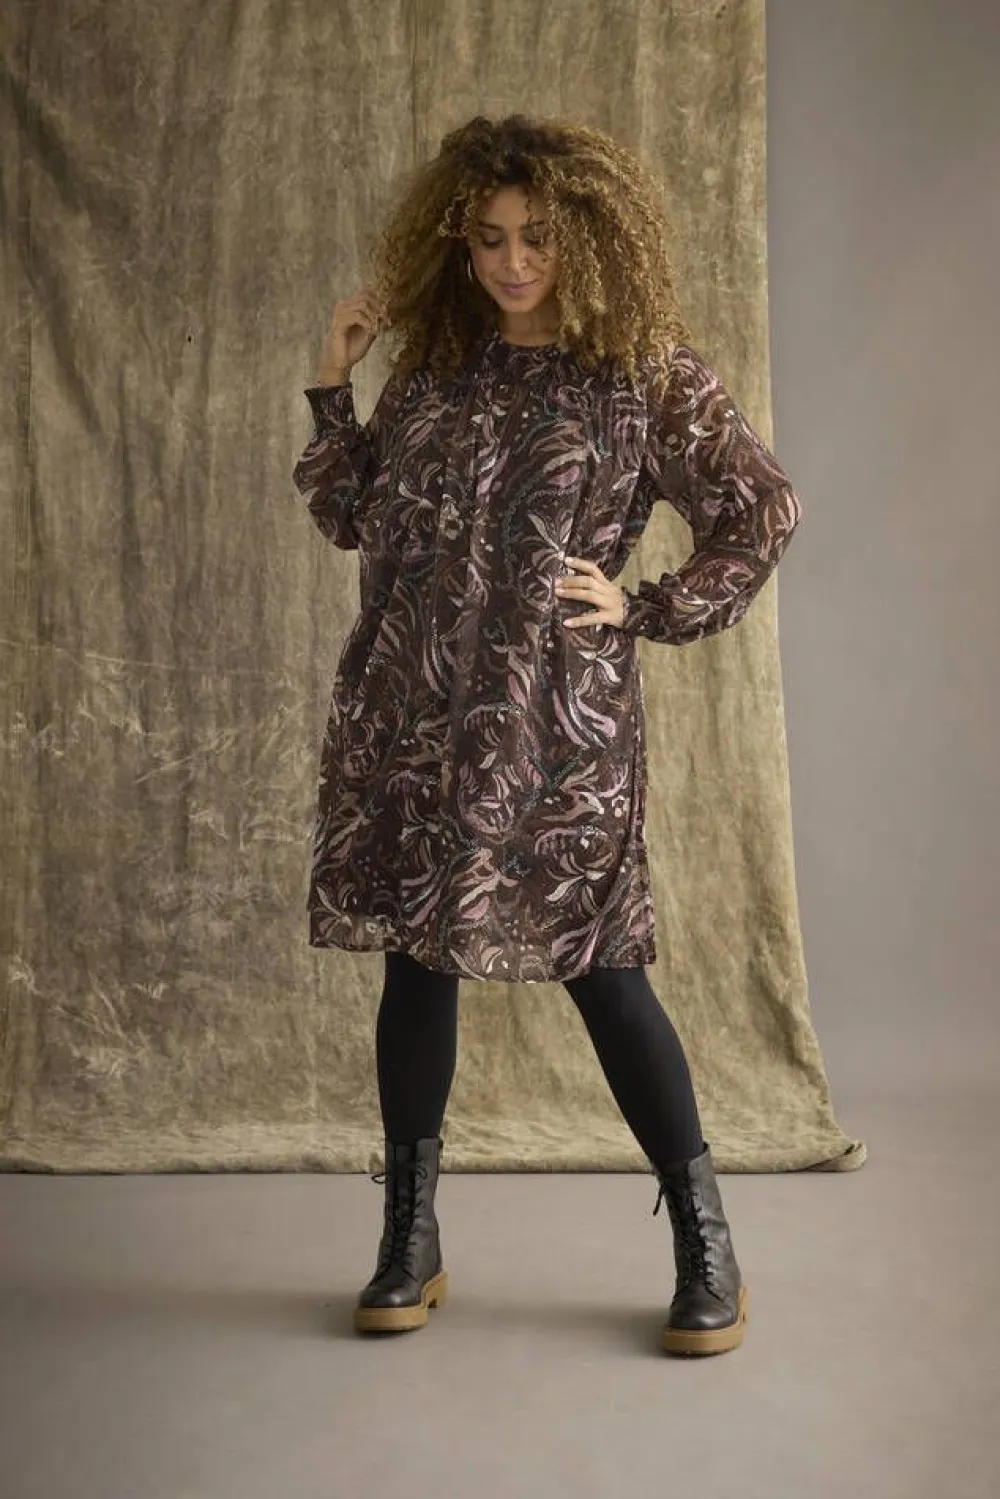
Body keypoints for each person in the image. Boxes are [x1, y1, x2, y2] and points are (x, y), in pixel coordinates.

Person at [292, 114, 802, 1358]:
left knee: (603, 969)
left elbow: (759, 506)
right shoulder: (436, 370)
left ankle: (705, 1244)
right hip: (414, 712)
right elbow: (353, 514)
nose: (512, 263)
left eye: (538, 238)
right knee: (418, 959)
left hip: (553, 724)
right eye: (488, 239)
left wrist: (645, 604)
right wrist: (333, 383)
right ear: (457, 245)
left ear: (588, 236)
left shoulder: (643, 374)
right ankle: (408, 1238)